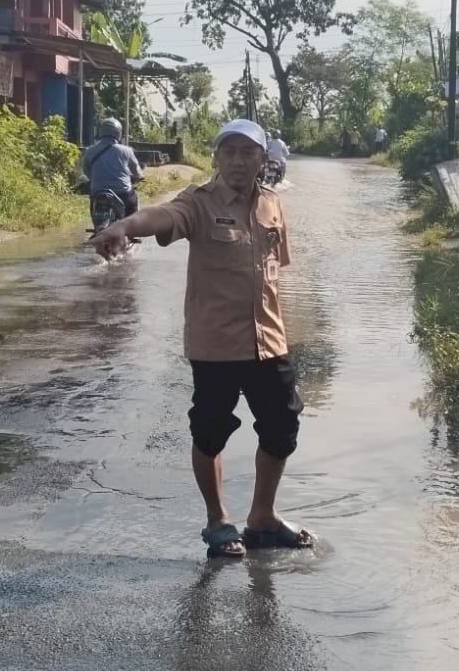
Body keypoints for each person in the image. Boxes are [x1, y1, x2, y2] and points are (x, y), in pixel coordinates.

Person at [92, 118, 313, 559]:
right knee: (211, 432)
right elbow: (162, 215)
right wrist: (125, 227)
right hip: (216, 344)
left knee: (282, 428)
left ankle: (262, 516)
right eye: (228, 152)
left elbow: (274, 273)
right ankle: (217, 521)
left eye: (247, 152)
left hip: (269, 340)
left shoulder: (273, 204)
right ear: (215, 158)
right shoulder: (198, 202)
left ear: (262, 160)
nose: (237, 160)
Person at [80, 117, 143, 218]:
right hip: (122, 193)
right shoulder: (126, 151)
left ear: (101, 131)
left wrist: (94, 178)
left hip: (98, 192)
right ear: (118, 133)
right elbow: (136, 171)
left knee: (94, 203)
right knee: (133, 201)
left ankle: (97, 226)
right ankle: (131, 231)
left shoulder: (90, 150)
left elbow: (85, 169)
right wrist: (139, 177)